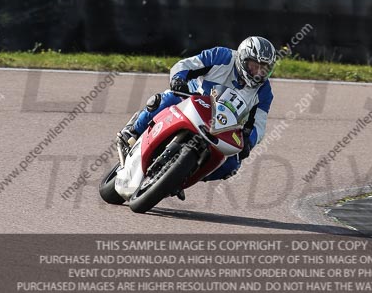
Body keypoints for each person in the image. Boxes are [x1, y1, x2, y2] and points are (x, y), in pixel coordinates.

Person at [117, 36, 276, 198]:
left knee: (232, 165)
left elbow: (259, 125)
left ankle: (181, 178)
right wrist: (178, 79)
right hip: (193, 101)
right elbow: (185, 65)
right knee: (166, 99)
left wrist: (250, 141)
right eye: (254, 66)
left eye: (264, 69)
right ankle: (133, 131)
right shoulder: (223, 56)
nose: (258, 72)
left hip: (222, 126)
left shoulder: (264, 92)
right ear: (242, 59)